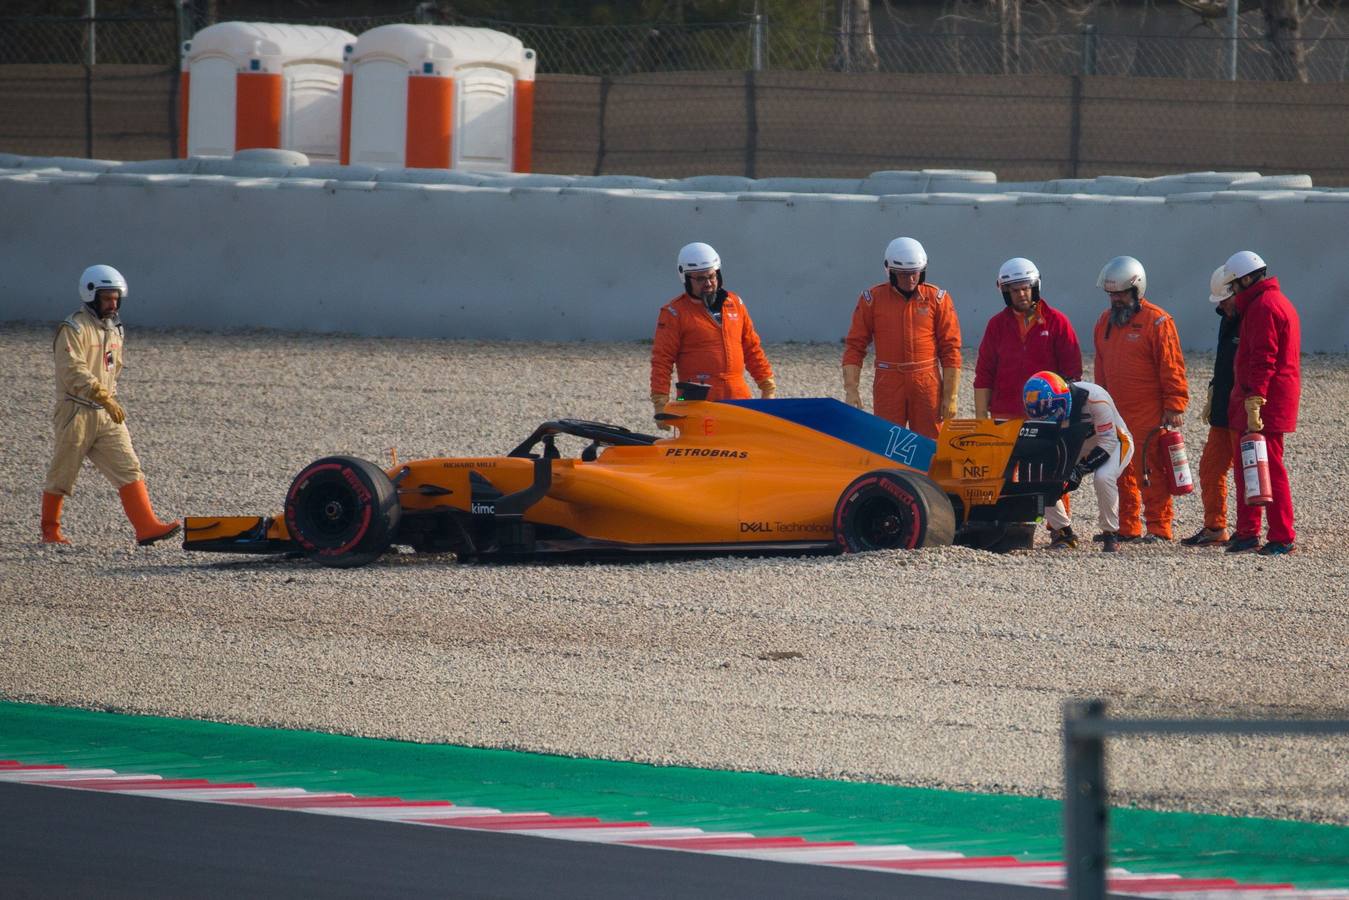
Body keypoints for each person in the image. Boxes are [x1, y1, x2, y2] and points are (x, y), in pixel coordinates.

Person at [41, 265, 180, 546]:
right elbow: (73, 370)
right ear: (91, 296)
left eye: (116, 298)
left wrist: (108, 399)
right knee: (63, 471)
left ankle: (146, 526)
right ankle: (50, 531)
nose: (113, 303)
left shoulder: (115, 330)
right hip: (76, 411)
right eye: (107, 298)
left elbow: (112, 369)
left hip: (106, 412)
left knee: (128, 467)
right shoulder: (73, 329)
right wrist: (102, 395)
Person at [973, 258, 1083, 548]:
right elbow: (984, 372)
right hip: (1005, 415)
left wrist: (1066, 416)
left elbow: (1072, 372)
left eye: (1026, 288)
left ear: (1036, 288)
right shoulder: (996, 326)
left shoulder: (1058, 322)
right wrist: (981, 417)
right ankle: (1008, 528)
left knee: (1050, 475)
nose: (1021, 294)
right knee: (1003, 475)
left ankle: (1060, 531)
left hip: (1046, 417)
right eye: (1014, 290)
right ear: (1004, 292)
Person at [1092, 255, 1188, 543]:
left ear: (1136, 290)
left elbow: (1171, 365)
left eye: (1120, 293)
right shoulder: (1104, 322)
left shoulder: (1157, 321)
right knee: (1119, 468)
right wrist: (1099, 404)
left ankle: (1159, 527)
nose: (1116, 299)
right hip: (1116, 410)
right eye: (1112, 294)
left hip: (1149, 410)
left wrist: (1174, 404)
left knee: (1151, 470)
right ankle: (1128, 526)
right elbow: (1101, 365)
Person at [842, 237, 962, 439]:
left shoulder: (937, 299)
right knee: (886, 442)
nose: (910, 279)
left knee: (930, 444)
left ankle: (928, 473)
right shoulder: (872, 300)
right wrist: (851, 389)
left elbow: (951, 349)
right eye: (904, 275)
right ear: (890, 271)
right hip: (888, 380)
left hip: (927, 380)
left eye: (915, 273)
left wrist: (951, 396)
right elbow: (855, 346)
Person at [1223, 250, 1301, 555]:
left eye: (1233, 285)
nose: (1232, 292)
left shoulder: (1263, 307)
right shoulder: (1270, 302)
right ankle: (1249, 531)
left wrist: (1255, 398)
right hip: (1267, 396)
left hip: (1264, 399)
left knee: (1269, 468)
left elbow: (1263, 358)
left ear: (1245, 279)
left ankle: (1281, 536)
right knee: (1250, 464)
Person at [650, 242, 775, 430]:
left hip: (737, 394)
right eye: (700, 279)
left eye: (712, 276)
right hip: (693, 400)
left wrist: (766, 384)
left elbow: (751, 347)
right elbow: (662, 360)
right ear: (686, 279)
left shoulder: (735, 303)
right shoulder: (673, 312)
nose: (708, 283)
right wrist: (660, 402)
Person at [1025, 371, 1134, 553]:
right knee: (1042, 475)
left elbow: (1108, 440)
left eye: (1055, 409)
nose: (1052, 415)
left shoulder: (1095, 398)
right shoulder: (1041, 408)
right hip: (1077, 443)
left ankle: (1110, 533)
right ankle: (1064, 533)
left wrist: (1080, 470)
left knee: (1103, 477)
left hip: (1114, 440)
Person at [1181, 265, 1242, 547]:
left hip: (1244, 409)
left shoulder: (1251, 318)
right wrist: (1214, 395)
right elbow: (1225, 364)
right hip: (1224, 409)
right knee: (1210, 467)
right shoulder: (1229, 318)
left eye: (1223, 299)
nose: (1219, 305)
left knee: (1247, 471)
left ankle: (1248, 530)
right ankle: (1216, 527)